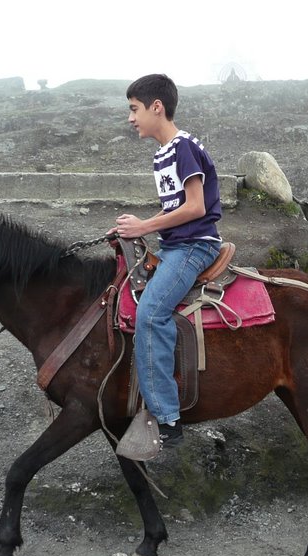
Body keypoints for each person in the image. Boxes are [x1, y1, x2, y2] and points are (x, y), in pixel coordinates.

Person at [106, 74, 221, 449]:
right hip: (175, 245)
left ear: (157, 107)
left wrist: (145, 224)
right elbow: (174, 209)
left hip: (193, 248)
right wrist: (136, 230)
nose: (130, 118)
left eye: (134, 109)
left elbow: (196, 207)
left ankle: (168, 419)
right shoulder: (163, 154)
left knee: (151, 313)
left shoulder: (182, 147)